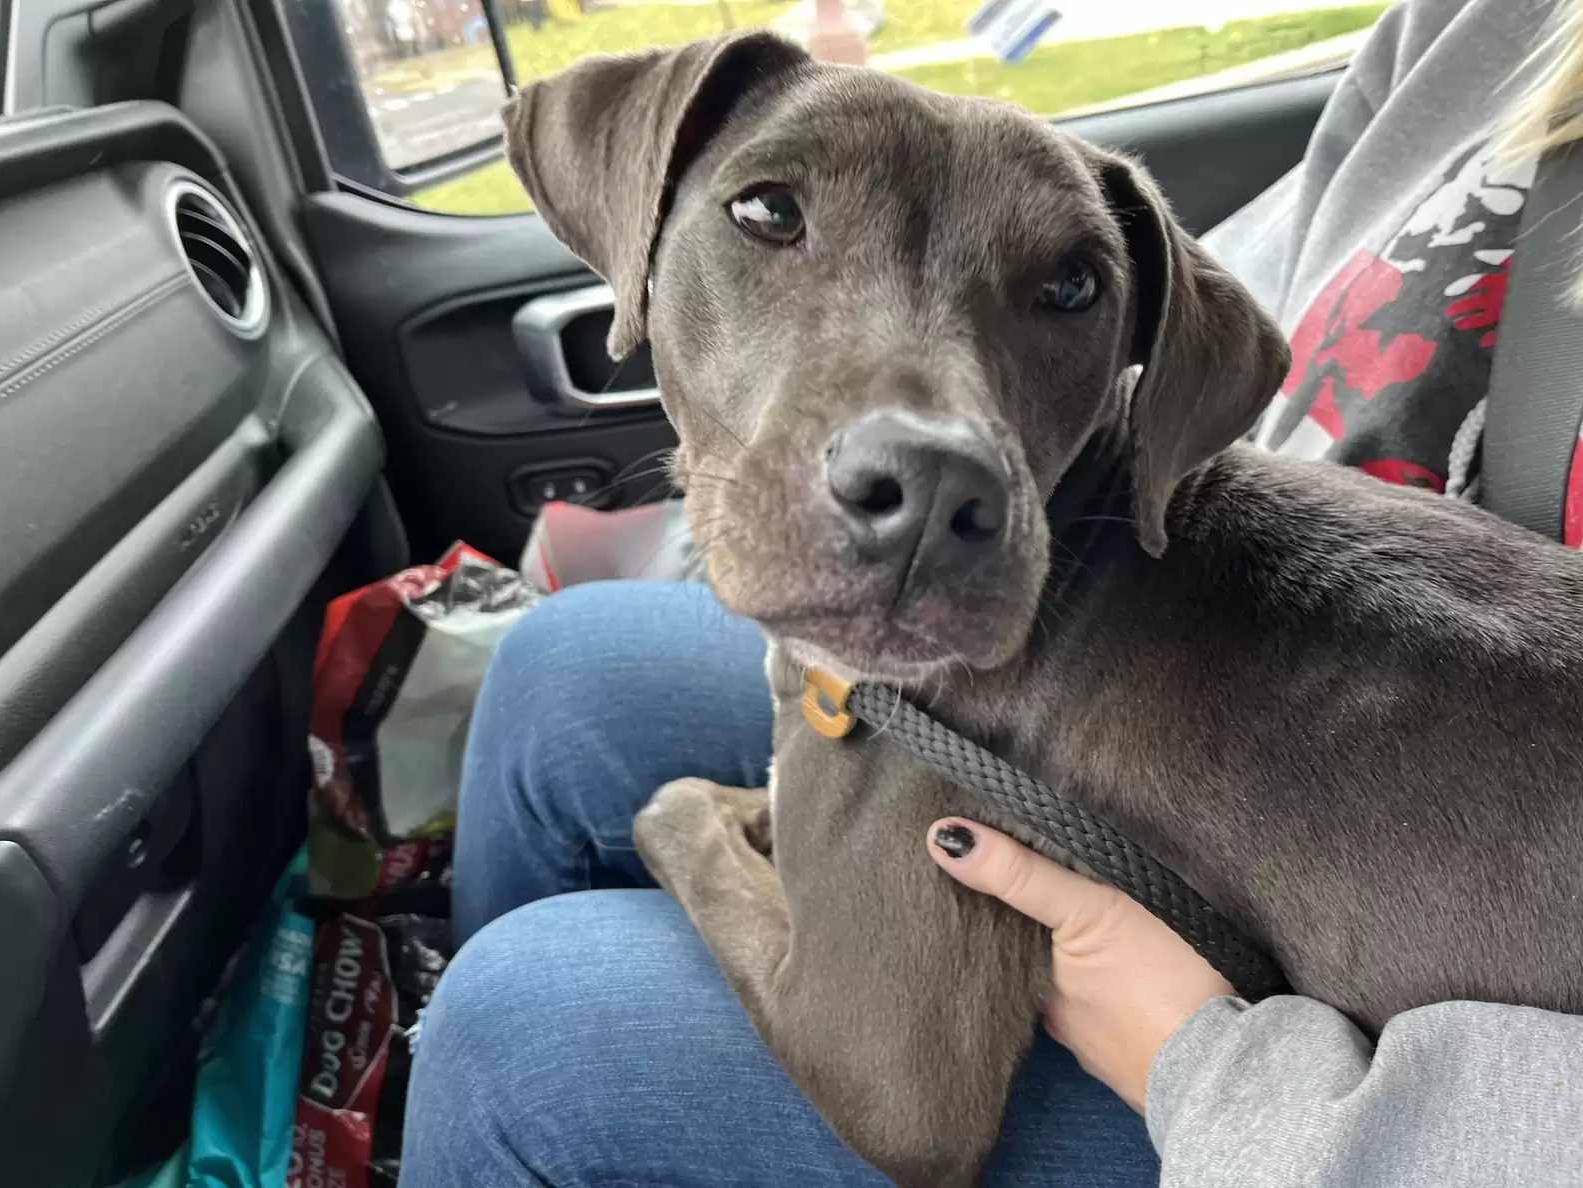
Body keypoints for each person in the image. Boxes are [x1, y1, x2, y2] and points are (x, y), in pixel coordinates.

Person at [399, 0, 1583, 1183]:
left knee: (520, 1035)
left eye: (1069, 292)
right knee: (558, 667)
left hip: (1359, 1112)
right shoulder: (1480, 25)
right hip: (1269, 575)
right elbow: (1249, 275)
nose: (922, 467)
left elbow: (908, 1116)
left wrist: (693, 827)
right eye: (771, 214)